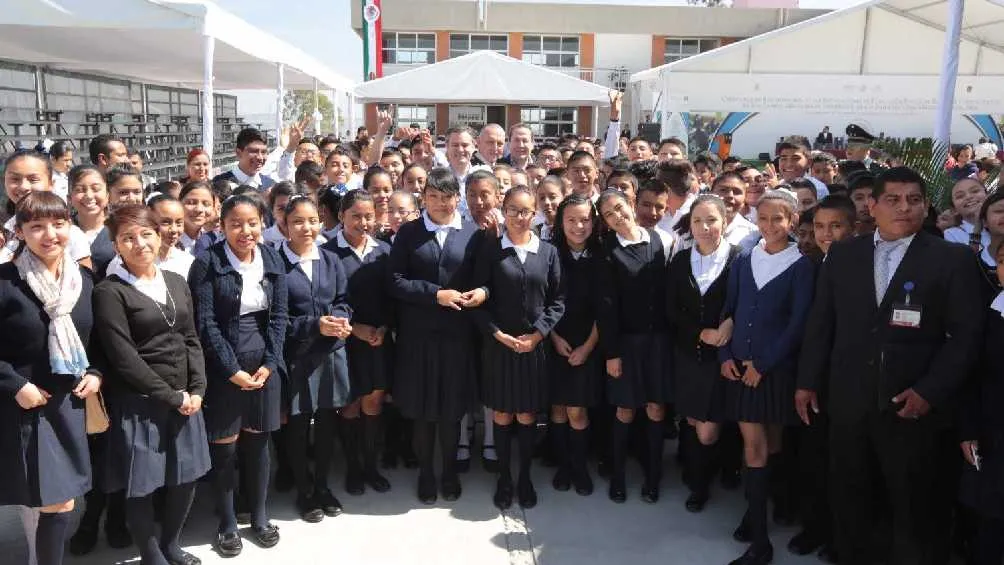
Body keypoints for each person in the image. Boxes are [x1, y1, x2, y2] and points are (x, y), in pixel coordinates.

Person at [797, 167, 985, 565]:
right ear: (872, 205)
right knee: (851, 498)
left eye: (914, 200)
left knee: (916, 508)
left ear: (926, 206)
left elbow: (967, 339)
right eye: (894, 200)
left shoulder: (951, 260)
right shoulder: (845, 254)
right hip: (849, 403)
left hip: (912, 408)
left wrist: (929, 392)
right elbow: (821, 323)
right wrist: (807, 381)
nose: (905, 208)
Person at [92, 205, 209, 565]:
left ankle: (172, 543)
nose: (139, 243)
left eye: (146, 234)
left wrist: (198, 389)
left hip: (185, 400)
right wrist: (172, 396)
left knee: (184, 478)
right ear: (116, 246)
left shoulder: (175, 281)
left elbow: (191, 338)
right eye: (128, 237)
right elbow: (123, 358)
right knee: (140, 486)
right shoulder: (109, 292)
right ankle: (151, 554)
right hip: (141, 404)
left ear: (159, 236)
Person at [0, 192, 103, 565]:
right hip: (25, 407)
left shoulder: (85, 281)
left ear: (69, 226)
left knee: (61, 501)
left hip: (68, 405)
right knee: (55, 500)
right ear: (21, 232)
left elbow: (99, 342)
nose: (49, 234)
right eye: (36, 226)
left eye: (58, 224)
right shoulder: (6, 281)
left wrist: (95, 373)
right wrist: (15, 385)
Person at [189, 193, 288, 556]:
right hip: (223, 367)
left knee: (259, 444)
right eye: (235, 224)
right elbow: (206, 323)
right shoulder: (207, 263)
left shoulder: (271, 258)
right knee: (225, 447)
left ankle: (260, 515)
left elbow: (279, 317)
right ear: (222, 226)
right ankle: (228, 520)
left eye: (252, 223)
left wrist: (270, 362)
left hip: (263, 362)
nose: (245, 231)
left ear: (262, 222)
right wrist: (231, 369)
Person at [720, 189, 815, 565]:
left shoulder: (802, 264)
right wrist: (726, 354)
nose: (770, 226)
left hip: (773, 372)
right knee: (754, 447)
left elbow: (798, 324)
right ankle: (760, 540)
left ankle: (755, 511)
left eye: (779, 219)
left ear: (792, 221)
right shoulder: (744, 259)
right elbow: (729, 310)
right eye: (763, 218)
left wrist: (766, 364)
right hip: (743, 370)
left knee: (773, 443)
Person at [388, 167, 486, 505]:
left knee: (450, 409)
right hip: (419, 337)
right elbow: (396, 281)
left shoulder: (472, 233)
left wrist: (479, 293)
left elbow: (485, 278)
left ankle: (448, 472)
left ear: (457, 199)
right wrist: (435, 295)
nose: (440, 203)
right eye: (433, 197)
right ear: (423, 198)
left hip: (458, 337)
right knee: (423, 409)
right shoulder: (409, 233)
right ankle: (426, 472)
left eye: (446, 197)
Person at [472, 185, 565, 509]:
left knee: (526, 415)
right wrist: (496, 334)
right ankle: (504, 478)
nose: (519, 217)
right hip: (499, 345)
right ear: (503, 209)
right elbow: (480, 301)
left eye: (526, 211)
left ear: (535, 212)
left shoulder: (548, 251)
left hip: (533, 348)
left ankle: (523, 476)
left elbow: (558, 301)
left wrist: (538, 335)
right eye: (512, 210)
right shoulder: (492, 250)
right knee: (502, 413)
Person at [787, 195, 856, 563]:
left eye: (836, 226)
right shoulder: (809, 265)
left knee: (844, 462)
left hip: (850, 381)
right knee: (811, 457)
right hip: (811, 377)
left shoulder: (863, 266)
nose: (827, 234)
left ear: (854, 226)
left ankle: (839, 534)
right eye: (819, 227)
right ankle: (813, 526)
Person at [280, 195, 353, 522]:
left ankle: (323, 485)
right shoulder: (275, 264)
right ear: (284, 225)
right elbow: (275, 317)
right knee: (296, 426)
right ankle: (304, 489)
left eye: (312, 220)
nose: (306, 227)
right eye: (298, 221)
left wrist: (339, 318)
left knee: (326, 422)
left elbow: (342, 299)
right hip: (296, 357)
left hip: (329, 355)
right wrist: (314, 326)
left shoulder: (330, 259)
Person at [596, 189, 671, 504]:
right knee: (625, 410)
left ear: (631, 203)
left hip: (659, 343)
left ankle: (653, 477)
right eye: (608, 215)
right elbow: (606, 307)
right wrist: (612, 353)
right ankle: (618, 476)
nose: (617, 216)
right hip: (626, 343)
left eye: (619, 208)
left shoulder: (661, 240)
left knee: (655, 408)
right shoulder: (607, 251)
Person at [666, 195, 738, 513]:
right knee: (694, 420)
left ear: (724, 221)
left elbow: (745, 302)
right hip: (687, 354)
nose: (705, 227)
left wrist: (730, 324)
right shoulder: (680, 262)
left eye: (711, 220)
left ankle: (701, 484)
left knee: (709, 428)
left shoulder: (740, 260)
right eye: (698, 221)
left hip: (720, 358)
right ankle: (697, 474)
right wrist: (699, 332)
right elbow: (671, 309)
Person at [325, 190, 397, 497]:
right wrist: (354, 329)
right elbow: (325, 300)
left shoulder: (384, 251)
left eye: (369, 216)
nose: (363, 222)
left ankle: (370, 465)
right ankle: (353, 467)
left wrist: (384, 326)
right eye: (356, 216)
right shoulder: (328, 253)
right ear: (341, 217)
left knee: (374, 403)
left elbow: (394, 296)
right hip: (346, 341)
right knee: (351, 405)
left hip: (379, 341)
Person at [546, 194, 603, 497]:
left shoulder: (601, 257)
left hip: (587, 343)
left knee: (577, 412)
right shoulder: (550, 253)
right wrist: (554, 337)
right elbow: (543, 302)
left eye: (585, 219)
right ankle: (563, 465)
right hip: (555, 340)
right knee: (557, 409)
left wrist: (588, 346)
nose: (578, 226)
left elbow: (604, 309)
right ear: (560, 222)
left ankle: (580, 467)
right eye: (571, 219)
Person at [960, 238, 1004, 565]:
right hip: (993, 431)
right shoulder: (987, 313)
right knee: (990, 517)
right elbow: (970, 375)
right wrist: (968, 429)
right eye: (1002, 261)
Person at [2, 151, 93, 269]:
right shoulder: (6, 229)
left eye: (33, 179)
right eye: (15, 179)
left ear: (51, 183)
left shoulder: (70, 235)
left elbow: (85, 281)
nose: (23, 186)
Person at [213, 128, 276, 193]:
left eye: (263, 152)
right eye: (254, 151)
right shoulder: (219, 184)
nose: (260, 157)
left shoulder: (270, 186)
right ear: (239, 153)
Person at [943, 177, 989, 252]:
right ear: (954, 210)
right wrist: (977, 230)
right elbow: (967, 260)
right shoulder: (952, 234)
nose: (968, 197)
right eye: (960, 196)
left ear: (987, 196)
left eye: (975, 191)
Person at [711, 172, 758, 245]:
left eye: (737, 192)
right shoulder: (693, 227)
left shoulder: (753, 234)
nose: (730, 195)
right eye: (723, 190)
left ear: (745, 197)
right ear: (711, 193)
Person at [178, 181, 217, 254]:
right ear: (179, 204)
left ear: (213, 207)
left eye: (206, 204)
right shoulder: (167, 242)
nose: (199, 209)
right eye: (191, 203)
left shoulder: (215, 240)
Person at [535, 176, 564, 241]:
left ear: (564, 197)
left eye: (552, 197)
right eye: (542, 198)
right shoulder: (534, 232)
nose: (546, 202)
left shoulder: (571, 231)